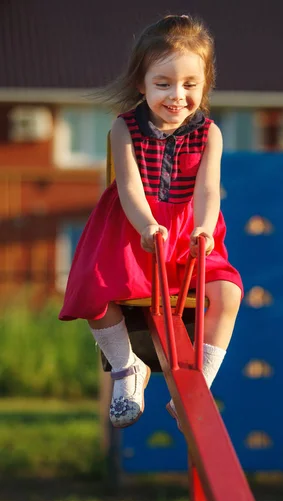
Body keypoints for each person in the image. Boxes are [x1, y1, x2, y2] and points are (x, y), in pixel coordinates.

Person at [59, 14, 243, 429]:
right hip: (133, 228)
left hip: (190, 231)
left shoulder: (210, 132)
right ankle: (128, 369)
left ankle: (199, 386)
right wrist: (145, 226)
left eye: (190, 85)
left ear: (204, 84)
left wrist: (204, 227)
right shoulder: (124, 128)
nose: (177, 96)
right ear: (141, 83)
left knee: (228, 294)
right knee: (93, 288)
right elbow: (129, 188)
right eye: (164, 84)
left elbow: (209, 189)